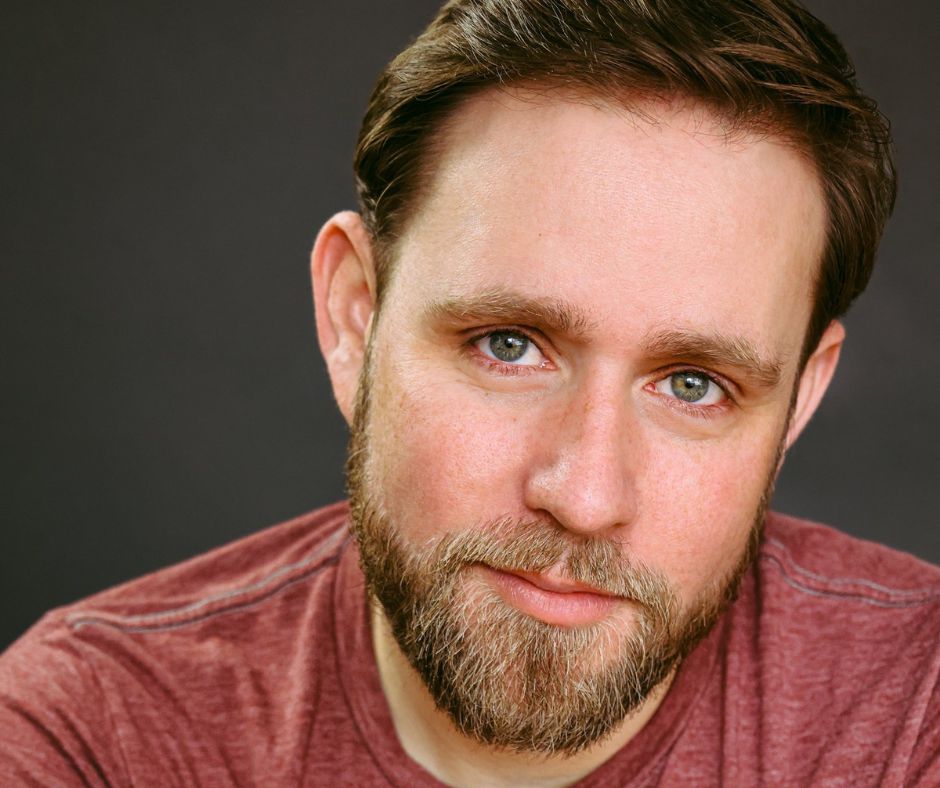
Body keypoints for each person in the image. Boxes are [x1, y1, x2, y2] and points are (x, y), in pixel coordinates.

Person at [2, 0, 937, 784]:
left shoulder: (916, 709)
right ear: (356, 316)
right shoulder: (90, 735)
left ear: (800, 401)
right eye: (508, 346)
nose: (584, 497)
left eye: (694, 385)